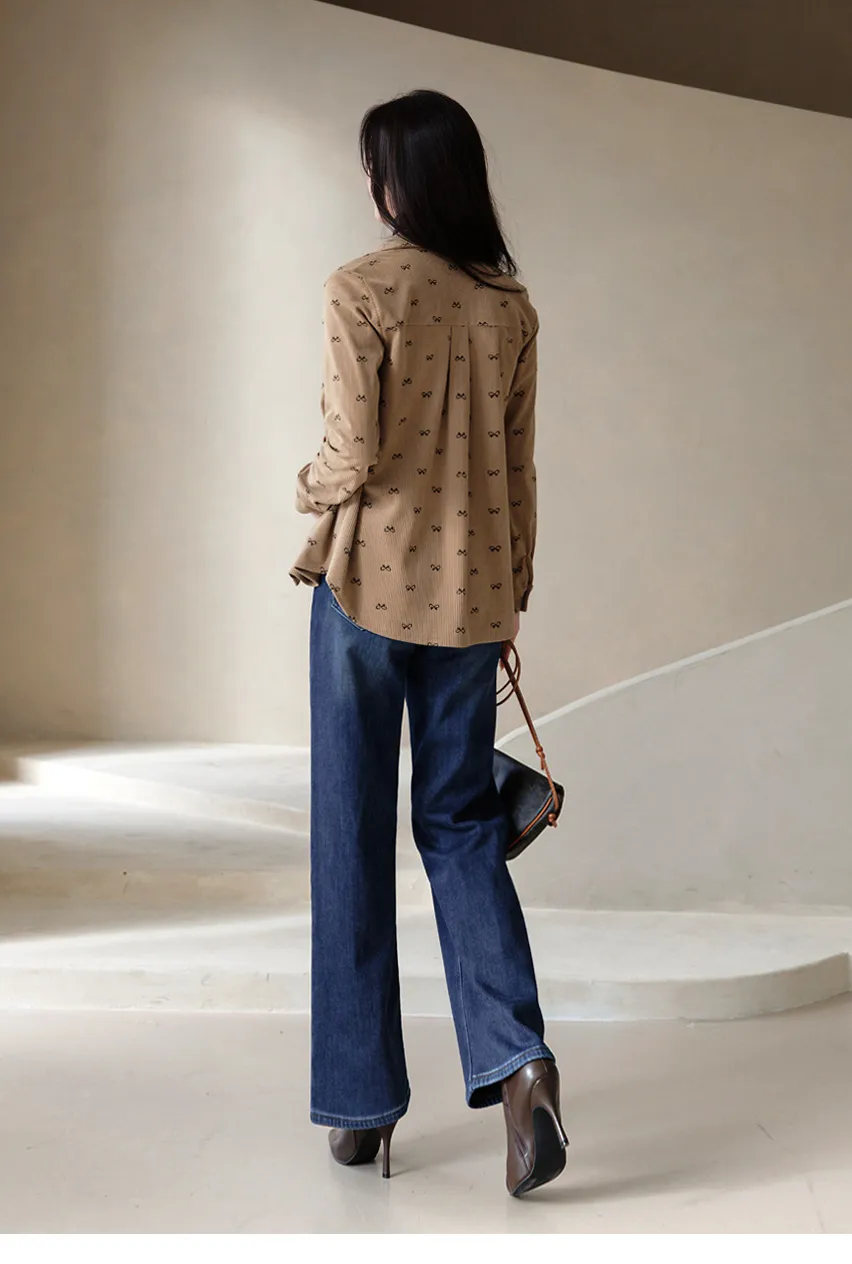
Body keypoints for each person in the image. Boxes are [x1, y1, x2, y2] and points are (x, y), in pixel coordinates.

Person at [290, 89, 566, 1197]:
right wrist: (512, 594)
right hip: (473, 601)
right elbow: (519, 471)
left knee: (350, 838)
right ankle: (521, 1064)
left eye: (377, 166)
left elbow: (349, 453)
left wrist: (303, 493)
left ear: (397, 179)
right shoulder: (511, 307)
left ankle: (362, 1110)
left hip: (365, 592)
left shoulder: (360, 288)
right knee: (458, 829)